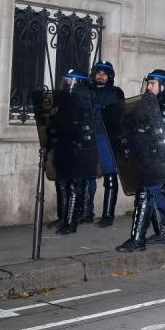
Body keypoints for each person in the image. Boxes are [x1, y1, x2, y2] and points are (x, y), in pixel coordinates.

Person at [115, 70, 165, 252]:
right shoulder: (152, 103)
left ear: (163, 86)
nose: (148, 87)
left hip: (159, 159)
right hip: (152, 158)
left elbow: (161, 134)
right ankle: (163, 233)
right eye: (148, 83)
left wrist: (140, 131)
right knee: (156, 196)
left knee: (144, 195)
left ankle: (137, 239)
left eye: (152, 84)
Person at [53, 69, 94, 235]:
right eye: (67, 80)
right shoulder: (66, 100)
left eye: (70, 80)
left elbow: (84, 128)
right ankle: (63, 218)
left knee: (73, 185)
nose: (67, 83)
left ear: (78, 82)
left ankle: (70, 222)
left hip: (77, 150)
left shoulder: (84, 99)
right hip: (64, 147)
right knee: (62, 183)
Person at [90, 61, 125, 227]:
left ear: (110, 76)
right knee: (87, 174)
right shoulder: (87, 91)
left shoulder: (115, 93)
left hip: (105, 136)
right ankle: (85, 213)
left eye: (104, 73)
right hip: (88, 135)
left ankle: (108, 215)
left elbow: (120, 116)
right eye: (98, 72)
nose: (100, 75)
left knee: (110, 175)